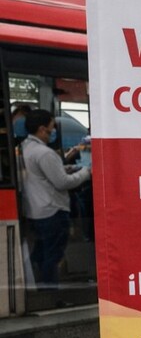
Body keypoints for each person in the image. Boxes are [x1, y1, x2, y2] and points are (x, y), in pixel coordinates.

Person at [20, 109, 90, 288]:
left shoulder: (26, 147)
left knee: (41, 253)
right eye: (52, 128)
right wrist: (86, 172)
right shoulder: (44, 153)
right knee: (52, 256)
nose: (53, 132)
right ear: (42, 129)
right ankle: (51, 294)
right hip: (52, 211)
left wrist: (64, 168)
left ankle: (40, 288)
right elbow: (62, 183)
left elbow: (43, 175)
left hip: (36, 210)